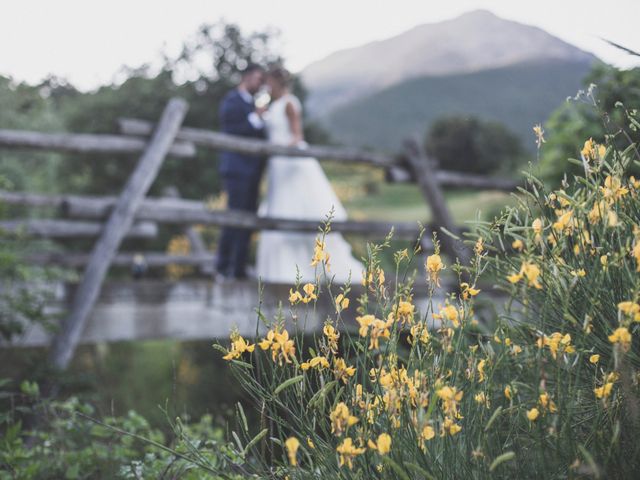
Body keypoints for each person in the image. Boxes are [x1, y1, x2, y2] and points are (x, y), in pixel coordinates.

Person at [256, 67, 363, 284]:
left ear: (277, 82)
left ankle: (312, 266)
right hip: (277, 164)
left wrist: (282, 150)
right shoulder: (272, 106)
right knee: (280, 206)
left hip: (290, 161)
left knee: (298, 206)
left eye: (269, 82)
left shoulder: (289, 103)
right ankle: (283, 268)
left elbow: (297, 135)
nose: (267, 87)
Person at [216, 64, 266, 279]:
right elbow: (231, 130)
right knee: (233, 218)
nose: (260, 83)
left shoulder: (251, 104)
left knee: (248, 220)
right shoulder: (232, 101)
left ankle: (239, 269)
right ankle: (222, 267)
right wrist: (255, 117)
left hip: (253, 172)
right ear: (245, 78)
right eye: (257, 78)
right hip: (236, 170)